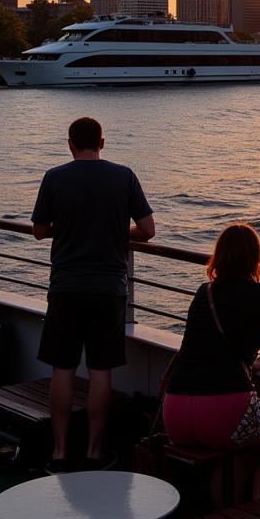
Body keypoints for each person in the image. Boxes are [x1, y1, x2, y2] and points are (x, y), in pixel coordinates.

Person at [32, 116, 155, 473]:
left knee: (63, 369)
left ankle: (58, 451)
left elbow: (40, 230)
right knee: (101, 370)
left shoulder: (54, 177)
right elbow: (147, 230)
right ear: (102, 142)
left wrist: (70, 227)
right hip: (108, 288)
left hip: (66, 286)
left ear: (70, 144)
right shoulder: (124, 175)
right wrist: (113, 230)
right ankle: (94, 451)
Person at [163, 223, 260, 499]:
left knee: (241, 449)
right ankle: (256, 517)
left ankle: (225, 515)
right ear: (255, 259)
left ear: (219, 257)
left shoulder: (203, 292)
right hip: (224, 412)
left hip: (176, 412)